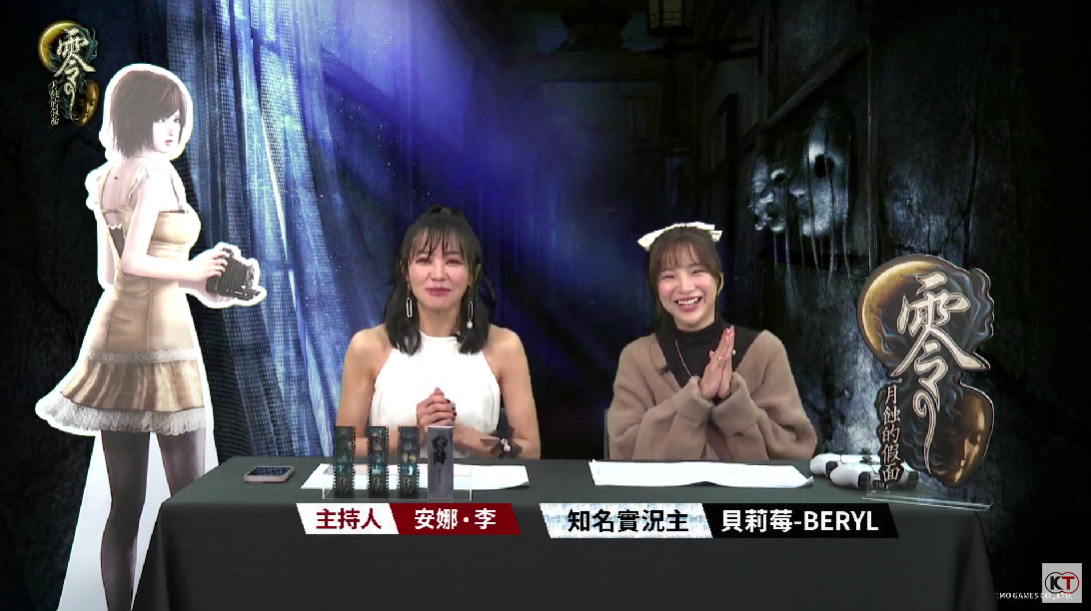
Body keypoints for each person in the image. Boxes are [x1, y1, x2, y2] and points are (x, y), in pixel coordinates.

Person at [34, 64, 264, 611]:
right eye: (162, 116)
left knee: (126, 505)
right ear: (136, 116)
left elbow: (109, 276)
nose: (172, 128)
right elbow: (136, 262)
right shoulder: (157, 175)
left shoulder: (105, 179)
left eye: (177, 118)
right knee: (192, 498)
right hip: (163, 340)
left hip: (115, 339)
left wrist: (204, 287)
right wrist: (195, 269)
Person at [337, 206, 541, 460]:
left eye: (453, 262)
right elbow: (345, 449)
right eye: (424, 260)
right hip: (399, 485)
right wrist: (414, 434)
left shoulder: (505, 346)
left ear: (473, 274)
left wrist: (460, 435)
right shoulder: (367, 346)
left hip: (479, 486)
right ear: (406, 271)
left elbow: (530, 450)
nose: (438, 274)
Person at [607, 222, 816, 461]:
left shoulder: (765, 351)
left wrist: (731, 398)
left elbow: (797, 450)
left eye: (697, 272)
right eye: (669, 276)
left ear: (719, 280)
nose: (685, 287)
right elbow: (624, 454)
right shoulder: (637, 358)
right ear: (657, 289)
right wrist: (697, 397)